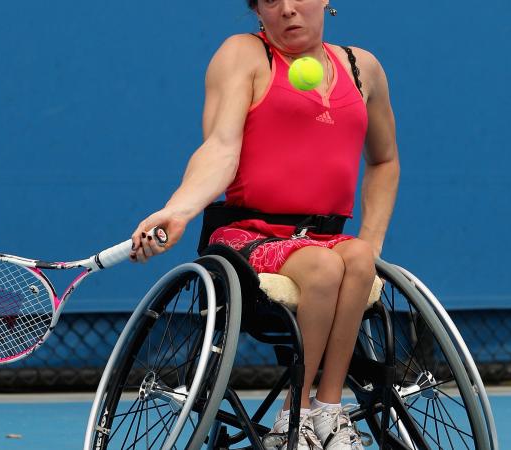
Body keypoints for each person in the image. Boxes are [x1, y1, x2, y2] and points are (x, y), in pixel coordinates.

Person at [129, 1, 399, 448]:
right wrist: (178, 210)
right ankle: (295, 412)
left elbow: (385, 160)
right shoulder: (243, 55)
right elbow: (219, 147)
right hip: (248, 235)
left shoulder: (362, 67)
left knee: (356, 256)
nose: (288, 10)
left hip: (326, 237)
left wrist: (372, 240)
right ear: (257, 10)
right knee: (326, 266)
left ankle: (329, 411)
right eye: (272, 0)